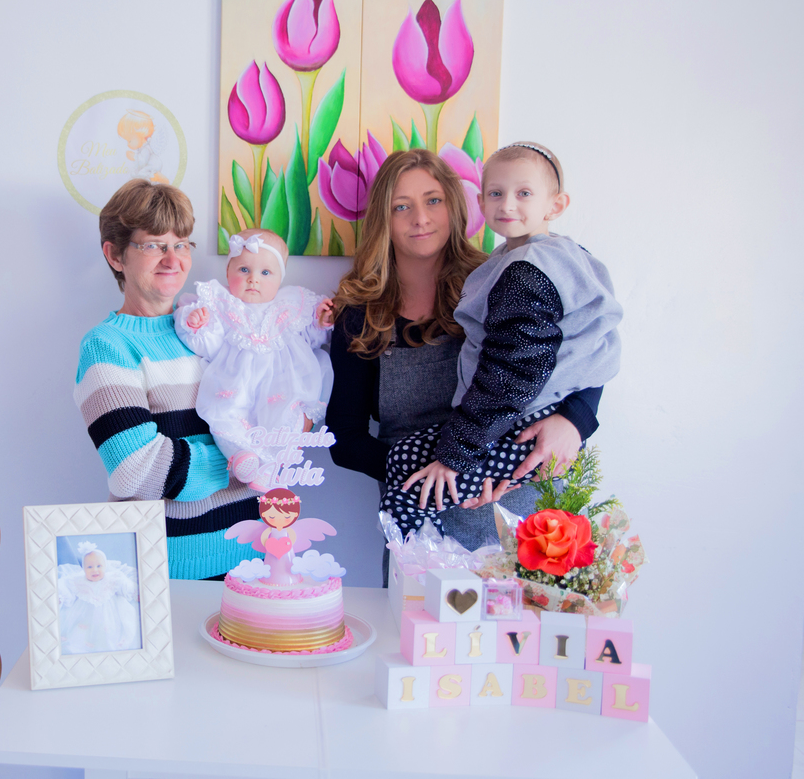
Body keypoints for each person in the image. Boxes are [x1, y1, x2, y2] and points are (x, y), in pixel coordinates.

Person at [327, 149, 603, 582]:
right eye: (402, 206)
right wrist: (439, 476)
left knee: (524, 640)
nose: (420, 217)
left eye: (433, 200)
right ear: (384, 219)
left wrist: (576, 420)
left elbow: (580, 351)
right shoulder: (362, 315)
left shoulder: (505, 281)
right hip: (418, 513)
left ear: (457, 208)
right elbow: (344, 438)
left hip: (522, 502)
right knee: (421, 640)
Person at [380, 142, 622, 534]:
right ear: (480, 201)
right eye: (496, 193)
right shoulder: (516, 262)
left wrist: (455, 456)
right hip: (492, 426)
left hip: (518, 425)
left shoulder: (524, 272)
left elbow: (512, 373)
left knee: (408, 482)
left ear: (555, 205)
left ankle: (413, 558)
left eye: (523, 193)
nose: (507, 205)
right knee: (404, 463)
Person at [75, 179, 260, 580]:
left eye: (181, 244)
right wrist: (241, 459)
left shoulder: (212, 326)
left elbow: (265, 401)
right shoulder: (108, 346)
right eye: (154, 244)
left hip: (253, 554)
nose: (172, 259)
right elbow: (136, 469)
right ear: (115, 255)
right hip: (167, 568)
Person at [173, 229, 334, 490]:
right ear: (228, 274)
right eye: (244, 270)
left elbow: (311, 336)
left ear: (280, 278)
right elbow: (210, 346)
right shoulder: (222, 303)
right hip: (235, 380)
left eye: (265, 273)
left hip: (281, 383)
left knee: (287, 414)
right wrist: (198, 325)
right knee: (225, 414)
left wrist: (321, 321)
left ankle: (272, 466)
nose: (253, 280)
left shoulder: (291, 303)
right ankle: (240, 456)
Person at [57, 541, 141, 654]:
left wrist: (134, 592)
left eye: (99, 566)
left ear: (105, 566)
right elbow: (65, 584)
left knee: (107, 630)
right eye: (89, 567)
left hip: (109, 613)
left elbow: (124, 585)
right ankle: (84, 643)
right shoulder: (78, 579)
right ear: (84, 569)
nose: (95, 570)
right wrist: (60, 596)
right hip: (85, 613)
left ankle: (107, 643)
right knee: (80, 631)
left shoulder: (113, 577)